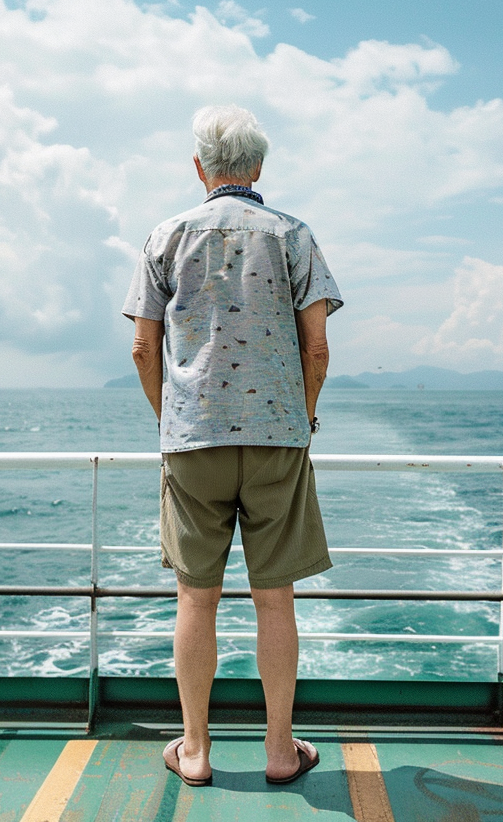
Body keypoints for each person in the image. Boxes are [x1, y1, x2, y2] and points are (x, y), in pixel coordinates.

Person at [123, 104, 343, 787]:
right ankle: (280, 751)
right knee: (274, 599)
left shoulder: (166, 236)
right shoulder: (293, 234)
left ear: (200, 168)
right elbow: (316, 346)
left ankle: (195, 750)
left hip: (192, 441)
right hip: (278, 437)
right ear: (259, 167)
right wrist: (303, 419)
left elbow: (141, 346)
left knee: (197, 598)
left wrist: (173, 420)